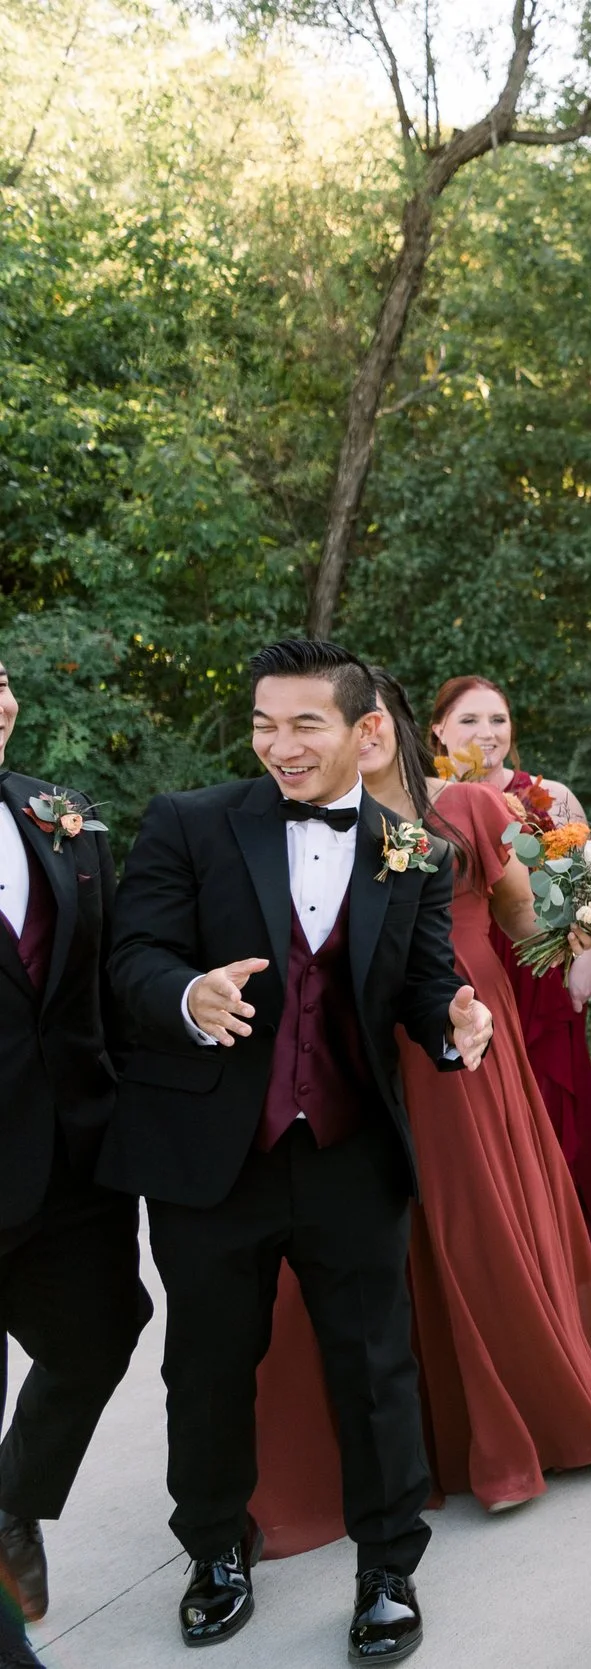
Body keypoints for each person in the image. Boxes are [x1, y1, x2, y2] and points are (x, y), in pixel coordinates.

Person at [101, 640, 492, 1661]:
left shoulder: (413, 847)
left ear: (366, 733)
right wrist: (188, 996)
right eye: (265, 722)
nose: (279, 744)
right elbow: (133, 955)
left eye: (304, 723)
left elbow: (424, 985)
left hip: (349, 1151)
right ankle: (215, 1550)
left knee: (376, 1366)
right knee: (210, 1365)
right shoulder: (189, 824)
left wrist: (456, 1018)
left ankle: (387, 1569)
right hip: (210, 1157)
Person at [246, 671, 591, 1548]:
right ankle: (403, 1433)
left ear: (396, 726)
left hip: (470, 1025)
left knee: (474, 1212)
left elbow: (516, 920)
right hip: (367, 1035)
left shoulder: (468, 805)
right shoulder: (316, 819)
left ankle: (511, 1424)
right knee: (383, 1217)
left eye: (379, 721)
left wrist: (589, 921)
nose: (371, 737)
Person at [0, 662, 151, 1626]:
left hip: (74, 1151)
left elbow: (108, 975)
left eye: (2, 680)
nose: (1, 700)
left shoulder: (61, 812)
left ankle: (14, 1502)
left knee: (104, 1331)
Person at [430, 674, 591, 1275]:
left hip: (537, 972)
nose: (486, 733)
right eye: (469, 721)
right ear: (437, 729)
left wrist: (585, 961)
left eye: (497, 720)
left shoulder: (550, 797)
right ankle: (500, 1266)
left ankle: (568, 1265)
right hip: (460, 975)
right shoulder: (423, 800)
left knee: (549, 1116)